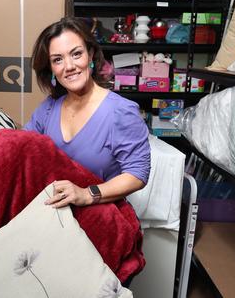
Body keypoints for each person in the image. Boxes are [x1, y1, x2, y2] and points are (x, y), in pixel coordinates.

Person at [24, 17, 151, 209]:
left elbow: (137, 174)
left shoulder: (121, 112)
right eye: (58, 60)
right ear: (51, 69)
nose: (69, 66)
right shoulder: (48, 109)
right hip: (54, 210)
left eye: (76, 54)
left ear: (90, 55)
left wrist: (87, 194)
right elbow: (22, 147)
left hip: (101, 215)